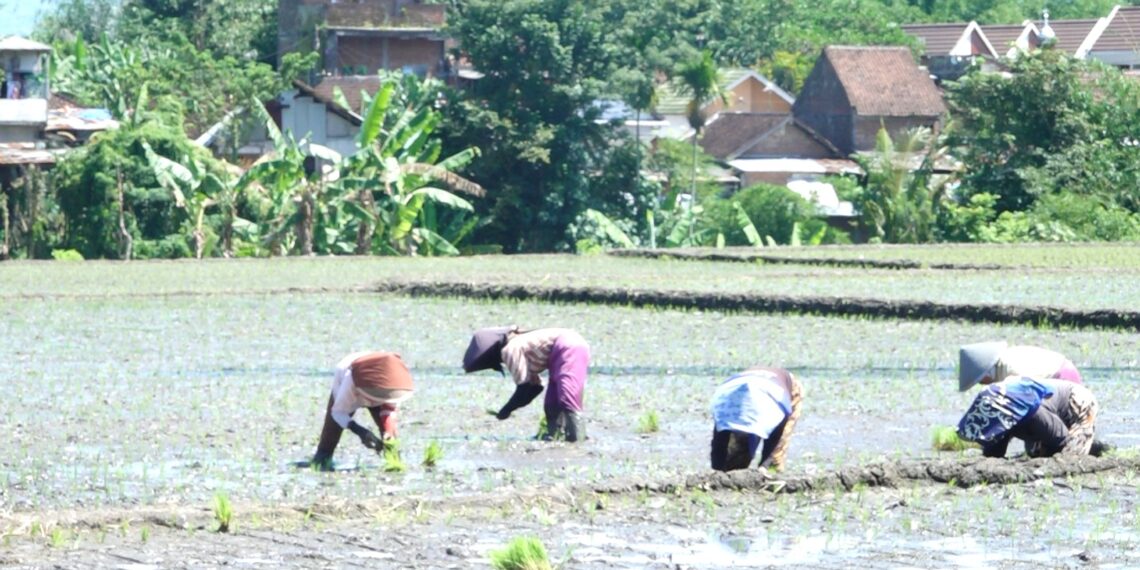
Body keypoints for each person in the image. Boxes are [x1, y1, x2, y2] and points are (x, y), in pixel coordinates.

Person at [463, 326, 590, 442]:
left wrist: (506, 410)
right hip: (558, 354)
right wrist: (511, 407)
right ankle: (556, 437)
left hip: (568, 347)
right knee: (551, 404)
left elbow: (524, 389)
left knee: (567, 398)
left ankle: (577, 441)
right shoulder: (521, 346)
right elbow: (534, 388)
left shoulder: (510, 350)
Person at [309, 351, 414, 470]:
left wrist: (388, 431)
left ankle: (393, 462)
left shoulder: (393, 382)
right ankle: (321, 461)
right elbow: (338, 412)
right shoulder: (349, 379)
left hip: (380, 391)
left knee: (391, 443)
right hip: (357, 387)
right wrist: (360, 431)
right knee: (326, 447)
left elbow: (389, 411)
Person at [957, 375, 1098, 458]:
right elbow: (993, 453)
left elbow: (1061, 440)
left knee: (1070, 458)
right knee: (1034, 453)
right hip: (1039, 414)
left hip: (1078, 403)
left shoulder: (1035, 415)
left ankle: (1094, 449)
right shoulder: (1001, 417)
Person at [710, 367, 803, 472]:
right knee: (733, 460)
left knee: (774, 463)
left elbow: (777, 437)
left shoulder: (774, 410)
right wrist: (717, 470)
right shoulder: (724, 410)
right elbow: (719, 443)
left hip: (778, 389)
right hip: (739, 386)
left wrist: (765, 466)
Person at [958, 342, 1081, 392]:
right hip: (1062, 371)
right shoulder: (1003, 362)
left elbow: (1028, 397)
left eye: (980, 381)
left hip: (1063, 378)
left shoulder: (1011, 372)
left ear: (985, 374)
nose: (982, 384)